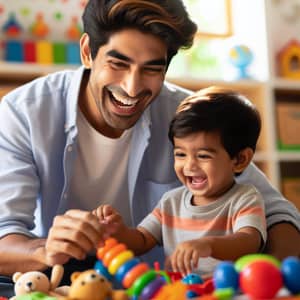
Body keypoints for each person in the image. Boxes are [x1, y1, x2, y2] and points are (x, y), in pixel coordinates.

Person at [0, 0, 299, 290]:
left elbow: (277, 215)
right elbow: (5, 235)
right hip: (52, 280)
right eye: (118, 63)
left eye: (152, 69)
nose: (132, 87)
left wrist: (266, 283)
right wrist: (43, 251)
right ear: (87, 52)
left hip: (161, 286)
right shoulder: (24, 112)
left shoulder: (190, 117)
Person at [93, 87, 267, 276]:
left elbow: (249, 241)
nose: (189, 166)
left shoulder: (244, 198)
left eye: (203, 156)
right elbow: (142, 240)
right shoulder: (171, 202)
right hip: (179, 291)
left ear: (240, 160)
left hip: (227, 291)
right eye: (181, 154)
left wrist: (208, 245)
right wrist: (118, 232)